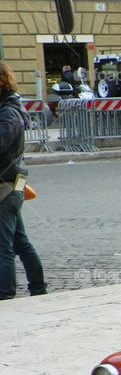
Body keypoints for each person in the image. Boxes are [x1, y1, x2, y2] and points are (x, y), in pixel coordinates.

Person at [0, 62, 45, 300]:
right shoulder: (7, 108)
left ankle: (5, 294)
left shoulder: (8, 113)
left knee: (3, 244)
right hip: (14, 180)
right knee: (19, 240)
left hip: (7, 183)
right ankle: (39, 288)